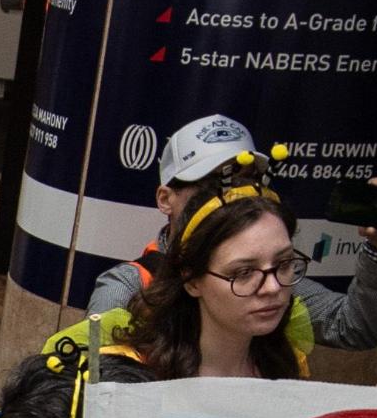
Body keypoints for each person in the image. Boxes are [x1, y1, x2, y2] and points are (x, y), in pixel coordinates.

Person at [86, 116, 377, 349]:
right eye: (212, 185)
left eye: (245, 182)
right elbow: (87, 382)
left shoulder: (271, 280)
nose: (230, 199)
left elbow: (353, 328)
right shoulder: (128, 286)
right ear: (165, 199)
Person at [103, 159, 306, 381]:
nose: (273, 287)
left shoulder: (288, 367)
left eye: (284, 264)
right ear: (191, 280)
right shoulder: (131, 376)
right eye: (244, 273)